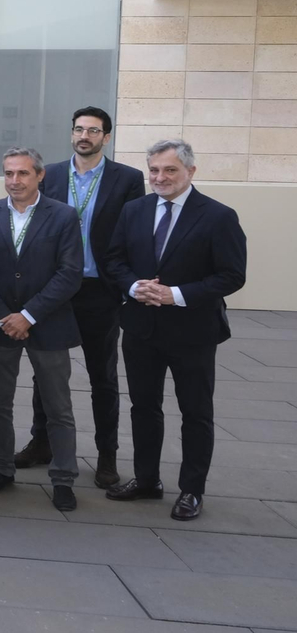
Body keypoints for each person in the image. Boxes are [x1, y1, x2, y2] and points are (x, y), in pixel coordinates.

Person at [105, 139, 247, 522]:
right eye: (154, 170)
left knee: (195, 412)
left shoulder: (218, 216)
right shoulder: (135, 210)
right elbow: (114, 260)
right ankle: (147, 479)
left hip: (193, 332)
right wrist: (134, 287)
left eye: (169, 170)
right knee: (144, 408)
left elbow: (232, 275)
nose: (160, 177)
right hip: (141, 329)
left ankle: (192, 490)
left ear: (190, 172)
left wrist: (176, 295)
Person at [19, 107, 145, 489]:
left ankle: (106, 455)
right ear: (71, 133)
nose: (84, 136)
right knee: (46, 371)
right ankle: (41, 442)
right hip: (56, 288)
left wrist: (125, 286)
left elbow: (133, 236)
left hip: (98, 291)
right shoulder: (51, 174)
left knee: (102, 376)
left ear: (105, 137)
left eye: (93, 130)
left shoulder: (127, 179)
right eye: (78, 129)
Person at [0, 148, 84, 511]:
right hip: (0, 325)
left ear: (40, 176)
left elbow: (69, 273)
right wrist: (5, 316)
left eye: (22, 174)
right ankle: (1, 468)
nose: (14, 181)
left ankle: (64, 478)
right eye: (8, 174)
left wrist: (29, 315)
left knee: (58, 406)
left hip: (49, 324)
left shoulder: (64, 216)